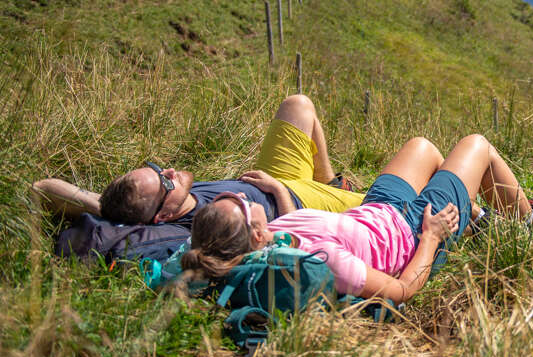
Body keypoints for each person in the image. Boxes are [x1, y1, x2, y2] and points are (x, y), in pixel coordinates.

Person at [183, 134, 533, 304]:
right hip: (413, 231)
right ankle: (532, 226)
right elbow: (403, 291)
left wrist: (279, 192)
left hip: (378, 209)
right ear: (256, 233)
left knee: (423, 147)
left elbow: (300, 227)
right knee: (477, 145)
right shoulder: (326, 262)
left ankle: (477, 219)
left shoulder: (272, 239)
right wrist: (433, 238)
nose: (242, 196)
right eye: (241, 204)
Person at [32, 95, 365, 227]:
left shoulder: (154, 206)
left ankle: (328, 178)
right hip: (296, 200)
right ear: (162, 214)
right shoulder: (189, 231)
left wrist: (100, 205)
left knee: (298, 105)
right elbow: (290, 241)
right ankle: (332, 191)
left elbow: (42, 187)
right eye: (164, 181)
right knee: (397, 200)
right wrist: (278, 191)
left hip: (270, 177)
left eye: (156, 169)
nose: (170, 170)